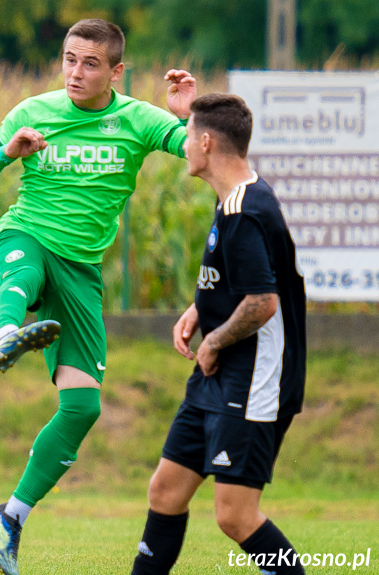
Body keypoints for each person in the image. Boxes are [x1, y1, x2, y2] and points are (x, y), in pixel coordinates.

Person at [0, 18, 196, 575]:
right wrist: (8, 152)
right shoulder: (33, 112)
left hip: (82, 272)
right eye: (69, 59)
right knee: (18, 284)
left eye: (90, 63)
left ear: (117, 71)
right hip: (27, 236)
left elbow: (201, 150)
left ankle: (11, 515)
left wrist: (191, 112)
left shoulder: (137, 119)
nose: (75, 72)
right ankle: (6, 334)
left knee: (83, 407)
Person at [130, 93, 306, 574]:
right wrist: (199, 307)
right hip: (221, 375)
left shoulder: (246, 211)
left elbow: (263, 302)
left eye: (187, 138)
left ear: (206, 143)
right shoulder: (233, 195)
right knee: (165, 489)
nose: (183, 147)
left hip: (255, 378)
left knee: (234, 515)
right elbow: (244, 280)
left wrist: (213, 338)